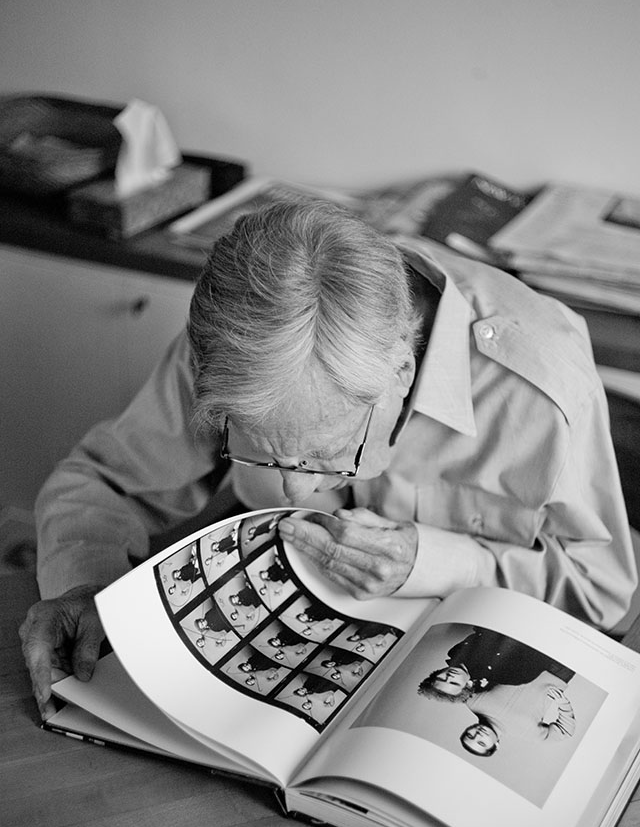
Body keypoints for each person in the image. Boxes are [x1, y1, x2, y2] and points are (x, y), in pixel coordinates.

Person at [19, 199, 636, 719]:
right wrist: (84, 584)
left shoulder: (539, 391)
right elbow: (102, 480)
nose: (292, 483)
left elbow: (603, 595)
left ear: (402, 371)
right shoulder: (242, 344)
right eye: (261, 448)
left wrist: (444, 564)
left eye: (327, 452)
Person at [417, 627, 575, 701]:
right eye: (453, 683)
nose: (450, 676)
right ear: (467, 686)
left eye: (442, 678)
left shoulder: (455, 653)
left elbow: (481, 632)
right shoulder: (505, 676)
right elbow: (541, 653)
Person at [460, 678, 577, 756]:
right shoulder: (528, 734)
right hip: (559, 674)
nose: (478, 735)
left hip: (526, 650)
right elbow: (565, 732)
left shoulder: (472, 701)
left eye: (470, 735)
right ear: (496, 746)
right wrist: (563, 704)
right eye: (481, 743)